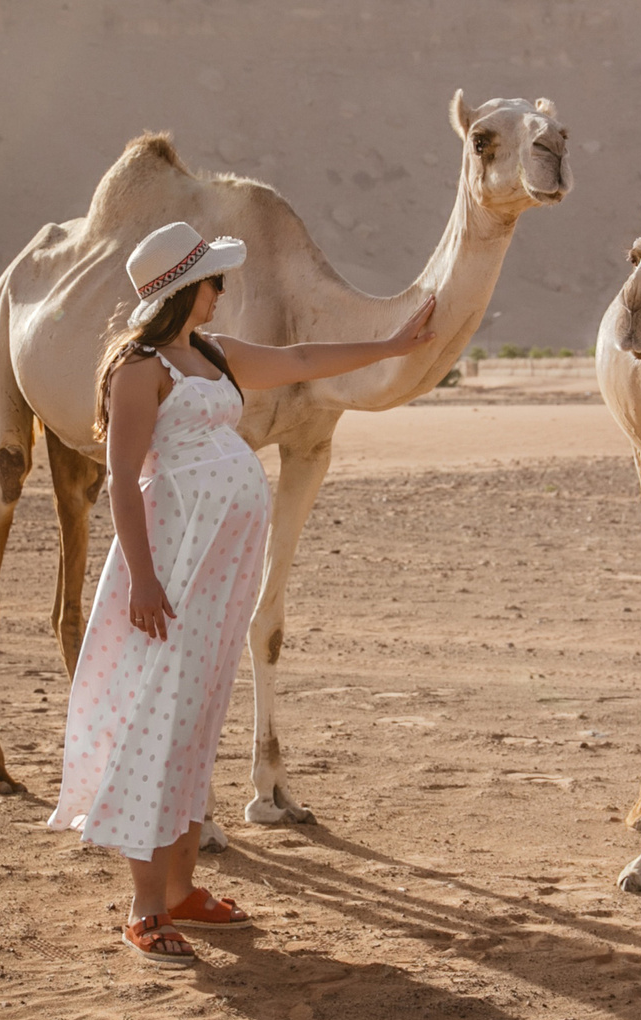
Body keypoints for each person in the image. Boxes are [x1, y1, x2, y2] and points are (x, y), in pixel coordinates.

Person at [45, 221, 435, 968]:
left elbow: (300, 360)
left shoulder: (212, 354)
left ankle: (185, 888)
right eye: (215, 279)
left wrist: (392, 345)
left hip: (218, 578)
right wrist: (146, 579)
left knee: (196, 722)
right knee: (157, 724)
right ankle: (144, 907)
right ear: (185, 290)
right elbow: (124, 478)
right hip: (170, 570)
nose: (224, 290)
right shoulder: (141, 369)